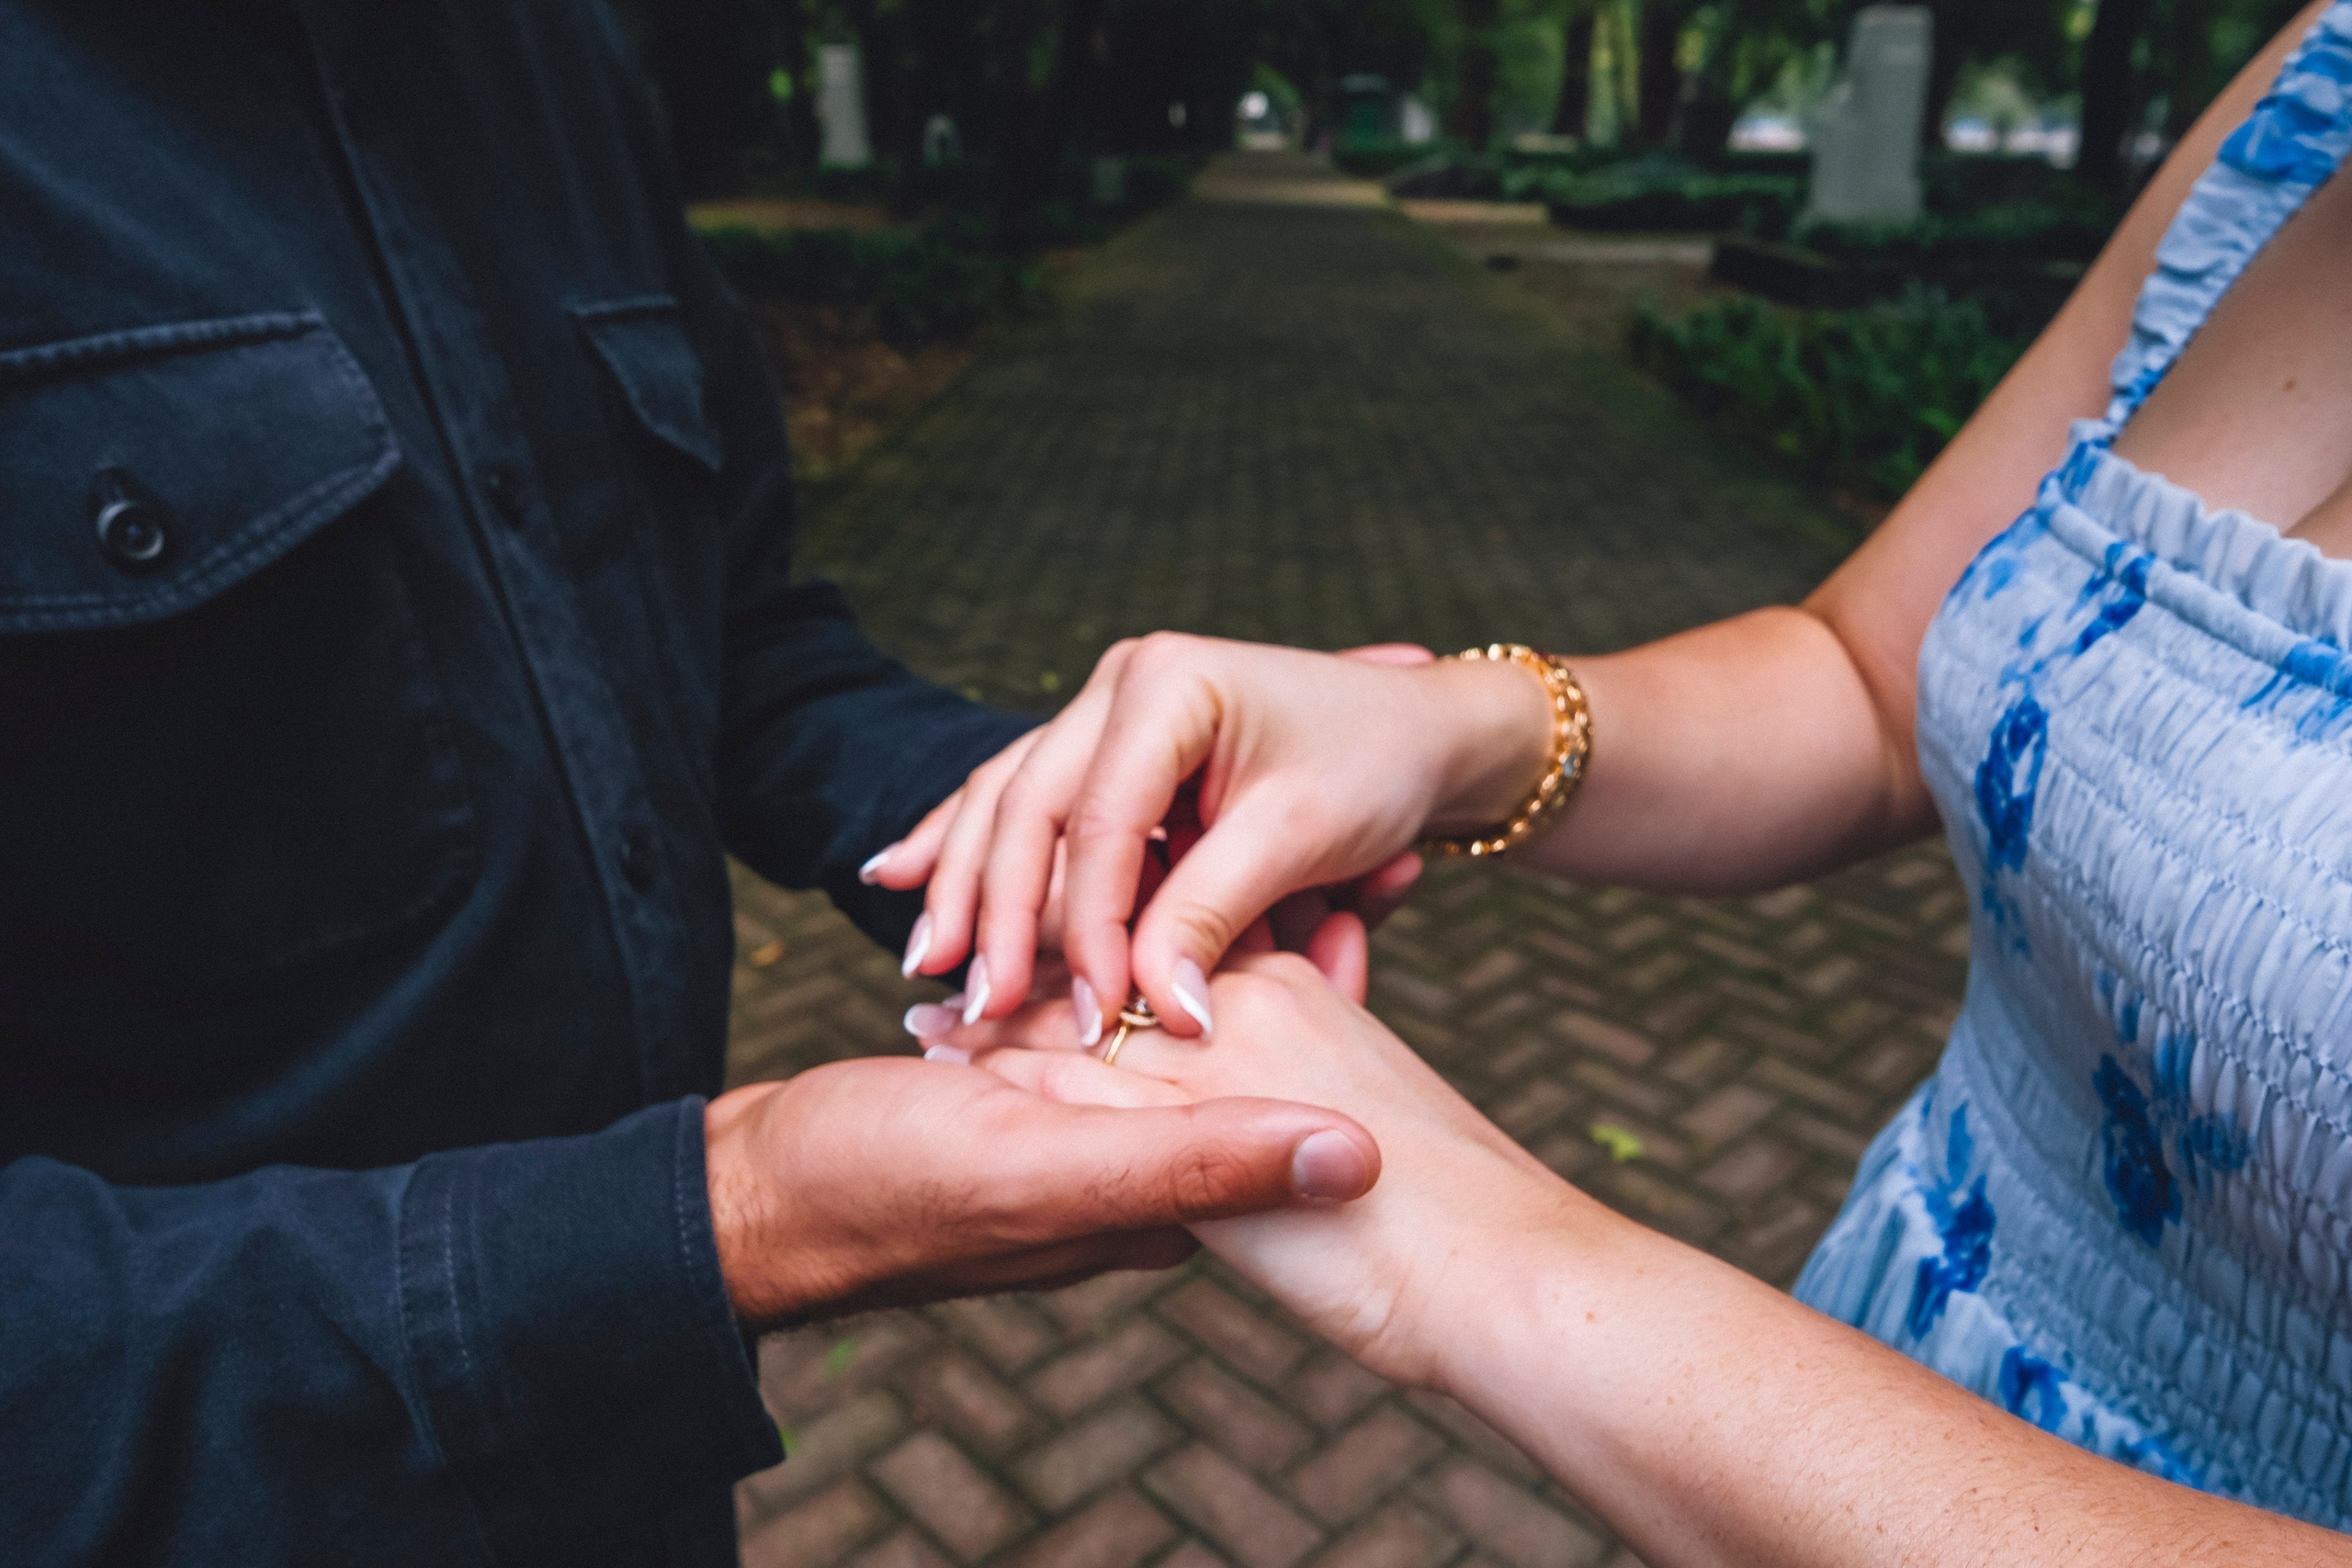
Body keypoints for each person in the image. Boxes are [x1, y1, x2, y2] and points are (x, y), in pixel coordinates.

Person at [893, 0, 2352, 1548]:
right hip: (1850, 1366)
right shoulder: (2307, 101)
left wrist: (1495, 1253)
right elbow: (1872, 677)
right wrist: (1454, 729)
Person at [0, 6, 1379, 1563]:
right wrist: (722, 1221)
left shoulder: (553, 58)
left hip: (636, 1441)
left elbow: (729, 639)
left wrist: (1068, 831)